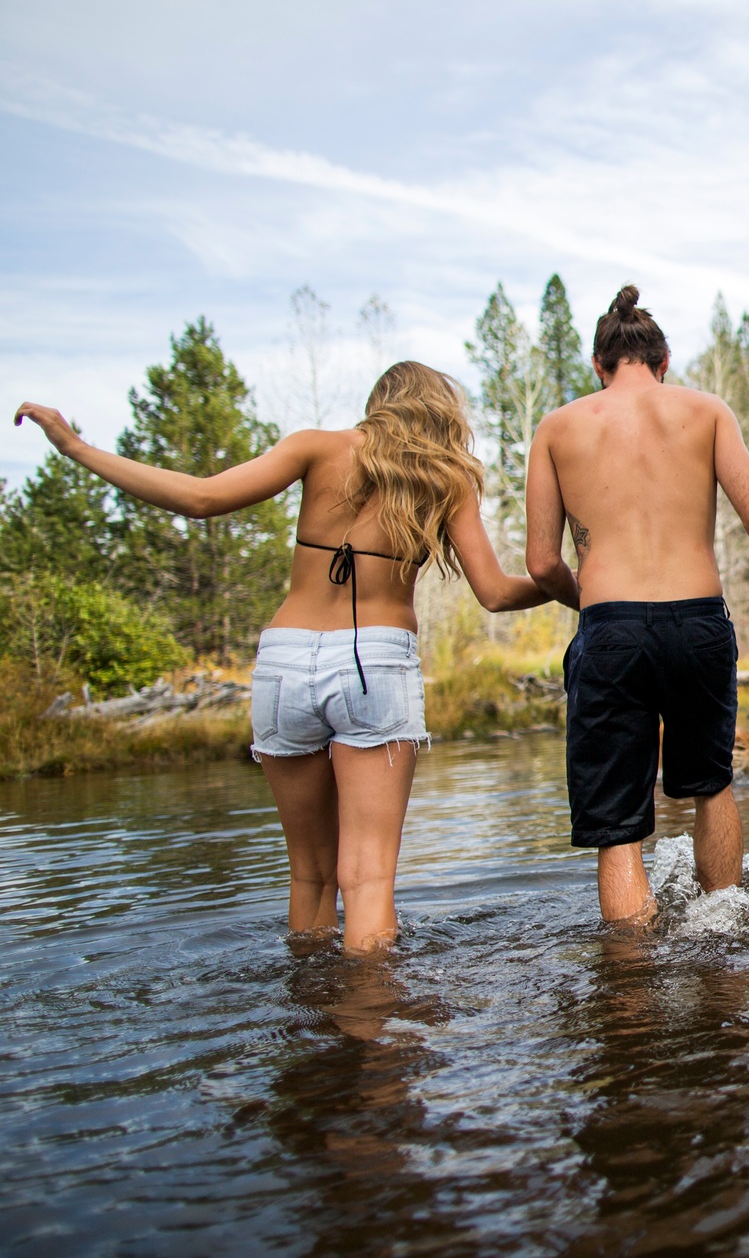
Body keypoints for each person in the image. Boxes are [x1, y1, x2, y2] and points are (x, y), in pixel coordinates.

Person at [15, 362, 546, 951]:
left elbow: (200, 498)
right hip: (374, 660)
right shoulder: (445, 478)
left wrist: (76, 447)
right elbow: (496, 593)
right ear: (441, 413)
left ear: (379, 404)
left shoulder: (315, 447)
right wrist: (570, 584)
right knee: (368, 878)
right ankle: (371, 1008)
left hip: (284, 662)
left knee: (310, 876)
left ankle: (312, 1004)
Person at [525, 285, 749, 923]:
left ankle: (631, 977)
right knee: (712, 787)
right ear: (664, 361)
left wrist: (595, 605)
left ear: (598, 365)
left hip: (610, 628)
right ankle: (723, 942)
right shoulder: (706, 411)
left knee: (619, 827)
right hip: (697, 623)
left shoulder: (557, 428)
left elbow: (541, 565)